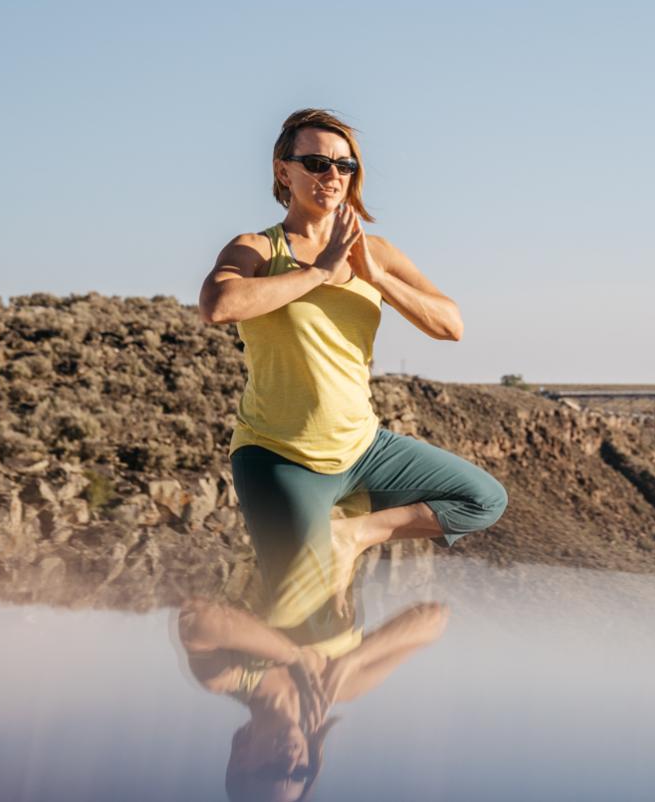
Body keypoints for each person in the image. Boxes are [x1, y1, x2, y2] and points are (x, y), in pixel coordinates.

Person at [199, 108, 507, 623]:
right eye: (317, 163)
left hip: (363, 447)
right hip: (280, 456)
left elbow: (449, 323)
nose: (332, 177)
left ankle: (355, 534)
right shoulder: (257, 248)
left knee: (482, 498)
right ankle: (255, 680)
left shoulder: (376, 252)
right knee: (307, 615)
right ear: (283, 171)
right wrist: (320, 271)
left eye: (344, 167)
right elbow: (219, 305)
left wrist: (374, 275)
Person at [178, 595, 450, 802]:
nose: (290, 762)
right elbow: (434, 620)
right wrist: (355, 658)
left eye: (272, 771)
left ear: (240, 758)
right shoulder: (342, 686)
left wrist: (292, 656)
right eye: (300, 774)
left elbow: (197, 617)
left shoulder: (226, 676)